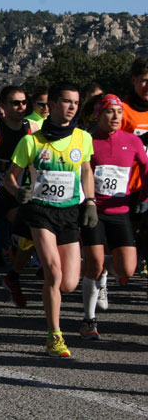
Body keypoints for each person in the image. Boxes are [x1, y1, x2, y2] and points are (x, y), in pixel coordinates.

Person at [5, 82, 95, 357]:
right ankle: (54, 336)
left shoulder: (83, 138)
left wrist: (90, 201)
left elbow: (86, 170)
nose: (71, 107)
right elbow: (10, 175)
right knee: (53, 273)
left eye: (76, 103)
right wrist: (18, 191)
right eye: (66, 102)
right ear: (52, 104)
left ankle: (23, 250)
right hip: (40, 211)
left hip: (69, 213)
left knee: (69, 283)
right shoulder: (31, 140)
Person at [80, 94, 147, 339]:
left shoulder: (132, 141)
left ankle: (101, 269)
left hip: (121, 213)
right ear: (99, 115)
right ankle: (89, 321)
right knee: (94, 266)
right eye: (110, 112)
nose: (116, 116)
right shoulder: (88, 140)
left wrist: (146, 197)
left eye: (119, 112)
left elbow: (146, 168)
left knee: (127, 271)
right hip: (94, 212)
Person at [0, 86, 40, 308]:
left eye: (23, 103)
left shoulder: (30, 130)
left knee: (32, 232)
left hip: (17, 192)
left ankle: (13, 276)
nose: (21, 107)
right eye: (15, 103)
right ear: (3, 106)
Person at [119, 55, 148, 288]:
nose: (147, 86)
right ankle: (102, 278)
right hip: (126, 186)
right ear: (134, 80)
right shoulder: (123, 110)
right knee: (124, 241)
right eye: (144, 80)